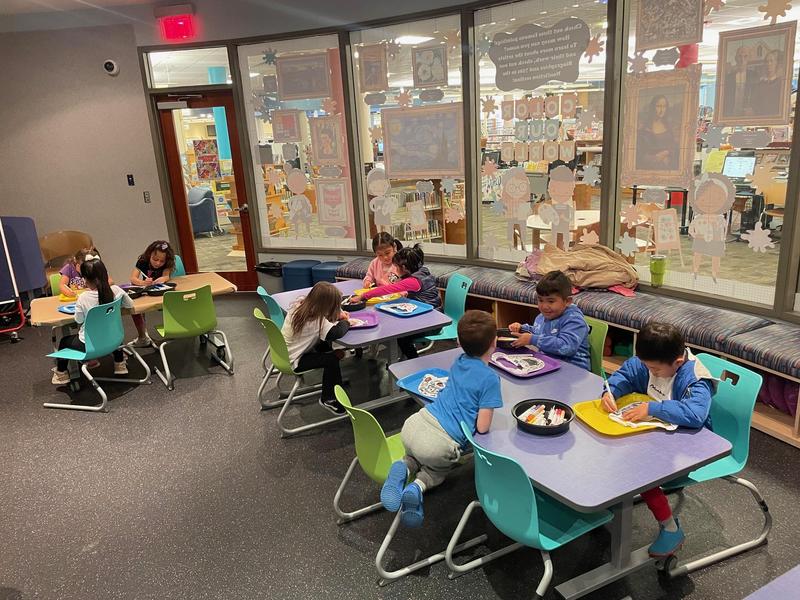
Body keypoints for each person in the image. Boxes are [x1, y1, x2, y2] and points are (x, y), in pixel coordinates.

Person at [600, 322, 715, 557]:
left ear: (678, 363)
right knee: (611, 445)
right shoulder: (651, 361)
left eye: (655, 370)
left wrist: (653, 408)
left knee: (638, 467)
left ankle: (670, 528)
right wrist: (609, 392)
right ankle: (612, 497)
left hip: (691, 446)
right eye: (647, 366)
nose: (650, 372)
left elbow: (695, 415)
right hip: (659, 435)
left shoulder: (695, 378)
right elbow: (627, 374)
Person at [380, 310, 502, 527]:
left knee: (415, 454)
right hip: (440, 444)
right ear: (495, 342)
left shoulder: (458, 360)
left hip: (414, 424)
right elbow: (483, 427)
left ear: (458, 341)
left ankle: (404, 466)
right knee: (436, 471)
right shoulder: (490, 379)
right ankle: (417, 486)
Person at [51, 258, 133, 384]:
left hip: (90, 344)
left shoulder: (84, 298)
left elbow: (78, 320)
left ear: (85, 279)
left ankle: (61, 374)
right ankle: (120, 364)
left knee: (64, 341)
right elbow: (129, 305)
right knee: (110, 331)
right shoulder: (116, 290)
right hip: (114, 339)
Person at [351, 244, 440, 359]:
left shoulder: (414, 281)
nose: (395, 270)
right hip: (429, 314)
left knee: (401, 337)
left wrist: (363, 296)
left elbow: (388, 289)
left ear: (404, 267)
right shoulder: (423, 271)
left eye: (396, 267)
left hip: (430, 322)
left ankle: (414, 360)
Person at [282, 281, 351, 415]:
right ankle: (329, 399)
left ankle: (333, 380)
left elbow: (325, 322)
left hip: (283, 352)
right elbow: (336, 333)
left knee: (324, 344)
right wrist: (346, 321)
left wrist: (335, 316)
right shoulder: (317, 321)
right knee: (332, 359)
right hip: (295, 360)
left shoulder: (299, 305)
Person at [507, 270, 590, 371]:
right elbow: (538, 331)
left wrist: (532, 339)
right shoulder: (542, 317)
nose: (544, 306)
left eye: (551, 301)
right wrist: (522, 328)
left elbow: (566, 347)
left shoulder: (575, 320)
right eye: (540, 300)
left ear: (567, 301)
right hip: (549, 366)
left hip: (574, 371)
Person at [128, 241, 175, 347]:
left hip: (161, 293)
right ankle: (142, 336)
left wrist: (163, 279)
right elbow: (133, 278)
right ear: (150, 255)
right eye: (155, 259)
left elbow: (166, 276)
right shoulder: (143, 261)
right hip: (147, 292)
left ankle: (179, 328)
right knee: (136, 309)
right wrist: (143, 282)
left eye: (161, 261)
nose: (158, 263)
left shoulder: (168, 262)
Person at [636, 95, 678, 171]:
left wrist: (666, 153)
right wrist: (654, 158)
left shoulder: (669, 127)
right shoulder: (644, 128)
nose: (662, 110)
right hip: (649, 167)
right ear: (652, 107)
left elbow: (674, 146)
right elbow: (640, 152)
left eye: (664, 106)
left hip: (667, 166)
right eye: (658, 106)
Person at [723, 44, 753, 118]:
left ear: (749, 58)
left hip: (746, 115)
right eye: (740, 56)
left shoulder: (754, 76)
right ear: (736, 58)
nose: (742, 60)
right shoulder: (729, 77)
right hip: (730, 114)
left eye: (745, 56)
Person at [754, 49, 785, 117]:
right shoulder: (759, 84)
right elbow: (755, 103)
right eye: (767, 61)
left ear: (776, 63)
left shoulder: (781, 84)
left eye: (771, 61)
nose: (769, 64)